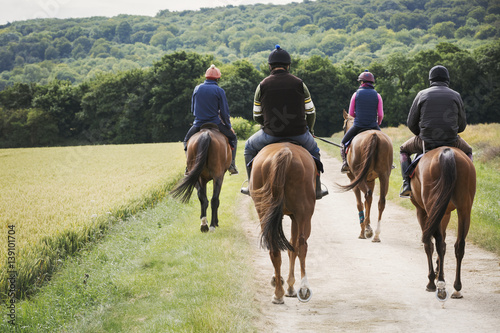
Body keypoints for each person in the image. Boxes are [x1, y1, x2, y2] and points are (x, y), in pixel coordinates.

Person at [240, 45, 328, 199]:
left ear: (269, 66)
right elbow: (311, 111)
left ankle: (250, 185)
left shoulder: (262, 85)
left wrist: (266, 124)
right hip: (299, 134)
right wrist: (310, 130)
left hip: (270, 135)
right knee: (315, 151)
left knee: (248, 147)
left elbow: (256, 115)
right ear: (288, 66)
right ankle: (318, 189)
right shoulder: (300, 83)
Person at [399, 65, 473, 198]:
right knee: (468, 151)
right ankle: (468, 183)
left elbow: (411, 123)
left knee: (403, 150)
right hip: (452, 141)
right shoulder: (456, 95)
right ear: (447, 79)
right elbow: (462, 126)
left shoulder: (422, 94)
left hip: (425, 141)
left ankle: (406, 184)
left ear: (430, 79)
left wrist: (421, 135)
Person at [183, 64, 238, 175]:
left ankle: (189, 166)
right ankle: (232, 164)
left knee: (186, 141)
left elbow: (193, 109)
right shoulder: (219, 91)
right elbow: (224, 113)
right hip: (215, 123)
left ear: (206, 77)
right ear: (218, 78)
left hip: (199, 123)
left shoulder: (197, 88)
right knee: (233, 138)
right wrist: (229, 126)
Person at [340, 70, 384, 173]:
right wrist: (377, 124)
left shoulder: (356, 94)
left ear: (361, 82)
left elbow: (351, 114)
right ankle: (388, 164)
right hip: (373, 125)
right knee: (384, 143)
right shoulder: (378, 95)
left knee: (343, 143)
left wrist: (359, 115)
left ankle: (345, 163)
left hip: (358, 126)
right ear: (372, 83)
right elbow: (380, 114)